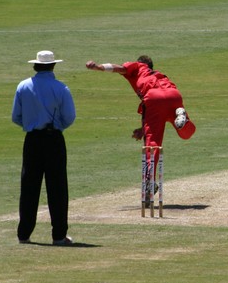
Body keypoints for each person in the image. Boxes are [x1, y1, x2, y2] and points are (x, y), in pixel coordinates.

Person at [85, 55, 196, 169]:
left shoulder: (139, 67)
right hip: (173, 94)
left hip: (154, 97)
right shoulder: (158, 75)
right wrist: (144, 129)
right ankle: (183, 121)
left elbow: (119, 68)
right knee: (186, 134)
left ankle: (149, 180)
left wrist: (98, 67)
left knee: (153, 143)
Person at [12, 50, 76, 246]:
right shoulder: (61, 88)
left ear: (35, 66)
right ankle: (58, 236)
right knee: (57, 188)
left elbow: (16, 117)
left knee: (29, 186)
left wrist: (32, 125)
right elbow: (69, 117)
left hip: (32, 140)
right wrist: (56, 128)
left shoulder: (23, 86)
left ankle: (24, 234)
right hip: (53, 139)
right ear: (53, 66)